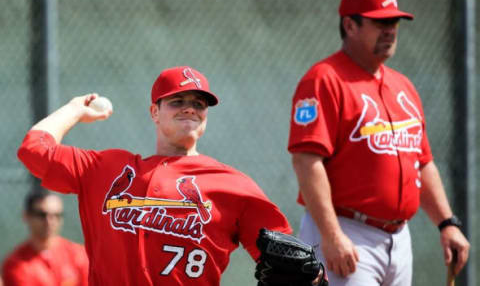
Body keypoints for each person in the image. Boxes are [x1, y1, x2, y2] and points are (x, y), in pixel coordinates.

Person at [16, 66, 297, 286]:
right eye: (177, 101)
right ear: (154, 112)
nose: (190, 108)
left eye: (199, 104)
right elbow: (34, 150)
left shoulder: (234, 185)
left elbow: (289, 263)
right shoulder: (106, 168)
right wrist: (75, 109)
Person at [287, 0, 470, 286]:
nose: (390, 30)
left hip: (399, 237)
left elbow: (422, 162)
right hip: (348, 232)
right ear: (350, 25)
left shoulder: (403, 85)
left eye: (394, 22)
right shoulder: (323, 80)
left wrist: (446, 223)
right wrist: (332, 236)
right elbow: (306, 161)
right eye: (380, 22)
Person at [2, 187, 89, 286]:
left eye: (56, 215)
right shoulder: (16, 264)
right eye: (42, 215)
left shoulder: (78, 255)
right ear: (26, 216)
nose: (50, 221)